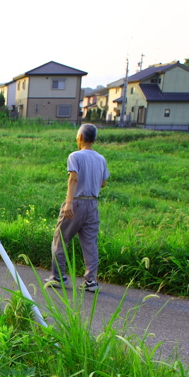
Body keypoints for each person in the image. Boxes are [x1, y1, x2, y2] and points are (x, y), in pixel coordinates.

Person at [44, 123, 109, 292]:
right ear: (94, 139)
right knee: (90, 243)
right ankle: (91, 281)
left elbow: (73, 178)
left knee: (60, 239)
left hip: (77, 202)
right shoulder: (101, 159)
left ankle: (58, 277)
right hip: (93, 203)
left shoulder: (75, 156)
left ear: (80, 138)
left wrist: (69, 202)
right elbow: (103, 183)